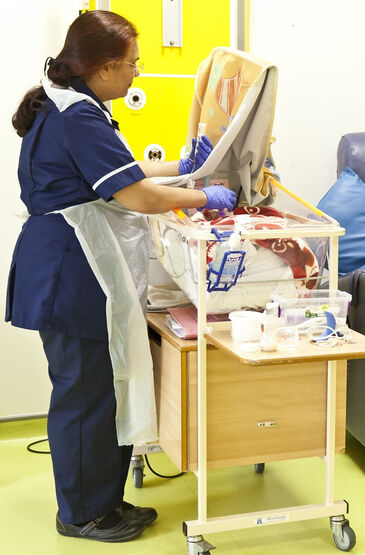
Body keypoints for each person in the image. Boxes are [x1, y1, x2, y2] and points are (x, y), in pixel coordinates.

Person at [6, 11, 236, 543]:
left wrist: (184, 165)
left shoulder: (73, 103)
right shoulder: (77, 117)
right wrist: (206, 195)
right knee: (86, 396)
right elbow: (135, 195)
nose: (137, 73)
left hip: (69, 265)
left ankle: (101, 502)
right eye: (132, 64)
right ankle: (83, 515)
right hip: (72, 270)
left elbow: (126, 170)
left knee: (96, 391)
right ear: (105, 67)